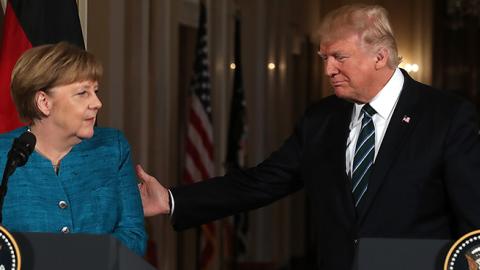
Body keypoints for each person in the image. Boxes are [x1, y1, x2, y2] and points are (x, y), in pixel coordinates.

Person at [137, 4, 480, 269]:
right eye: (324, 58)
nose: (328, 69)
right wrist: (170, 200)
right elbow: (261, 182)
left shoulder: (447, 117)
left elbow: (474, 221)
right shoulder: (322, 119)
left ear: (380, 56)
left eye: (339, 57)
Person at [0, 42, 146, 256]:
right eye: (82, 93)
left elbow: (134, 237)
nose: (97, 103)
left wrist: (74, 256)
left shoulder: (113, 148)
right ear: (44, 102)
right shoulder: (4, 154)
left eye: (95, 91)